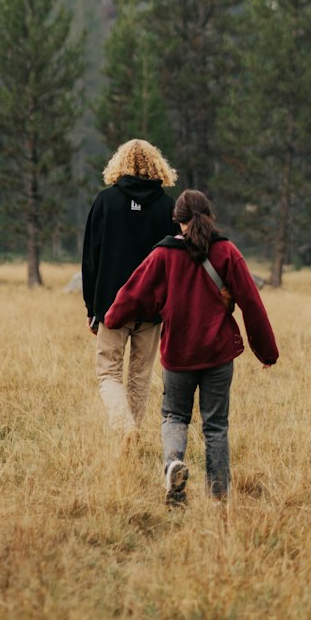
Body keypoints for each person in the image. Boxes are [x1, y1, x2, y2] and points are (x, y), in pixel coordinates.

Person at [104, 187, 278, 505]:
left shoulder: (163, 254)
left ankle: (173, 465)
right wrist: (266, 352)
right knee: (216, 425)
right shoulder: (227, 252)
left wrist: (112, 318)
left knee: (173, 416)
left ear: (178, 221)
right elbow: (253, 304)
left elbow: (133, 293)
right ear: (209, 216)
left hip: (178, 354)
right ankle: (218, 496)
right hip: (218, 354)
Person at [82, 138, 179, 441]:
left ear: (118, 163)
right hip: (151, 308)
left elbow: (90, 258)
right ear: (157, 164)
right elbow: (176, 262)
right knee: (140, 377)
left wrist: (91, 308)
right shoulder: (167, 206)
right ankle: (130, 436)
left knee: (108, 373)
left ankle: (125, 429)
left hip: (112, 305)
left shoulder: (105, 201)